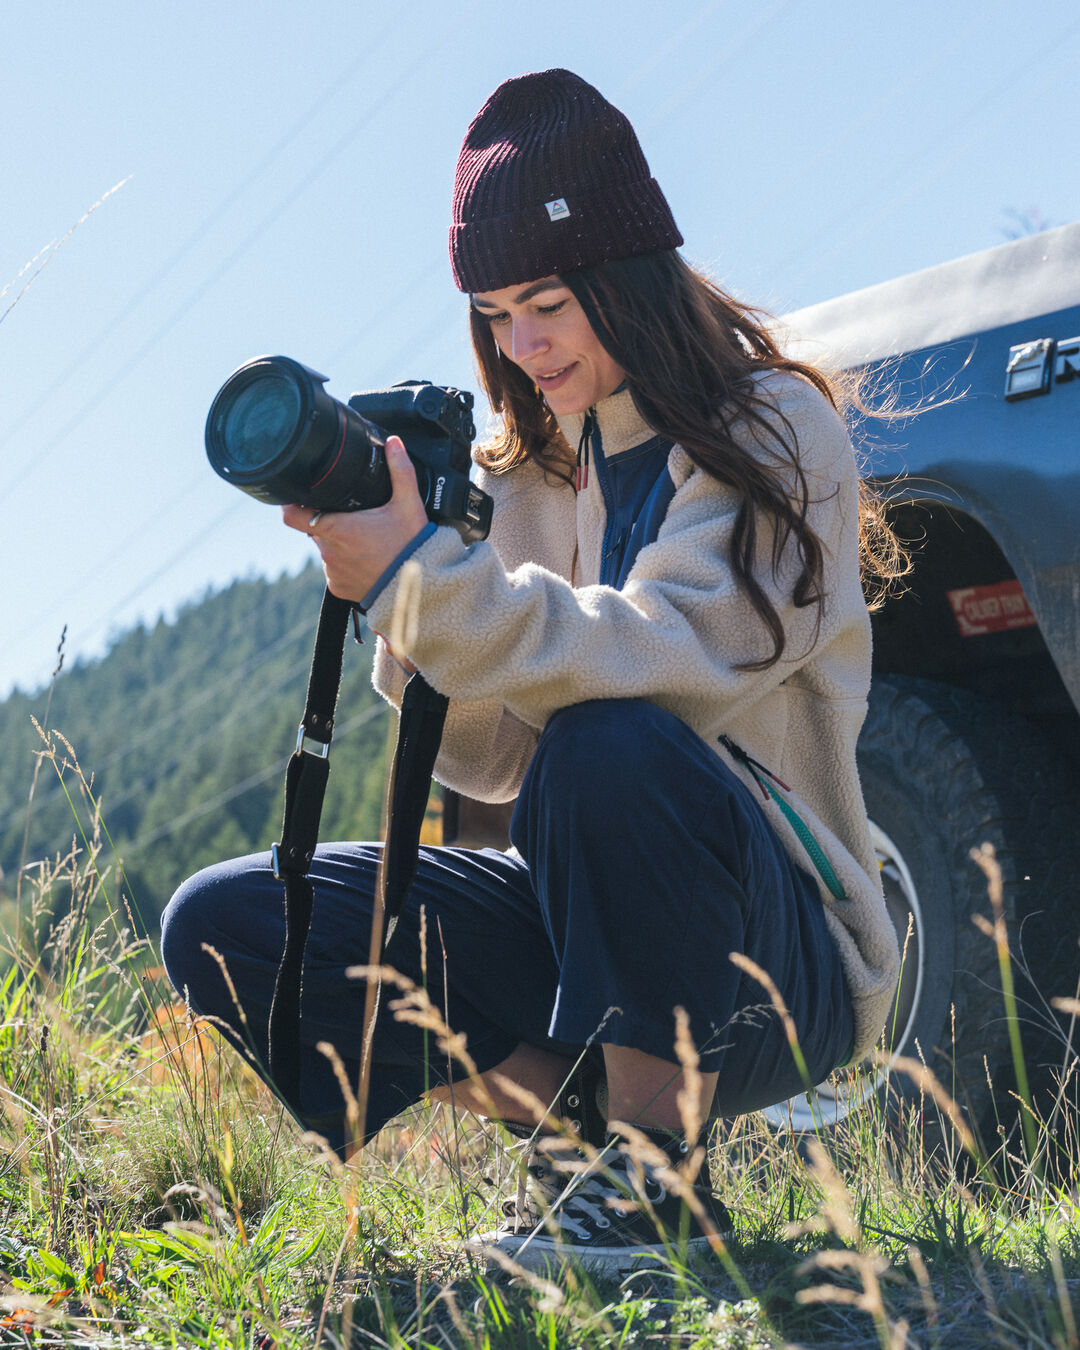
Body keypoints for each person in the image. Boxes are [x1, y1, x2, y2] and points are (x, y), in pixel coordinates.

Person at [161, 68, 902, 1273]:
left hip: (787, 958)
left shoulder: (774, 431)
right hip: (593, 924)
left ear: (630, 274)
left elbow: (667, 663)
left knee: (609, 736)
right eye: (496, 313)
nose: (523, 344)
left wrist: (435, 585)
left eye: (549, 303)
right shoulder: (531, 471)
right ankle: (589, 1138)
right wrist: (404, 600)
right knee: (231, 922)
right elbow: (496, 760)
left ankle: (658, 1184)